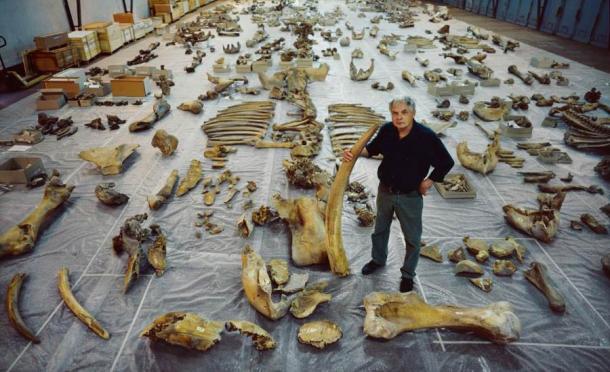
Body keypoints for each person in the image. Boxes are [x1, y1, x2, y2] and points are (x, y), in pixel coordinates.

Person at [343, 96, 454, 292]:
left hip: (409, 196)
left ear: (413, 113)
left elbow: (446, 162)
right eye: (395, 113)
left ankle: (407, 275)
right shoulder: (387, 130)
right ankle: (378, 260)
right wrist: (354, 152)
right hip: (385, 191)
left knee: (412, 238)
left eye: (404, 112)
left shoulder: (426, 137)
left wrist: (428, 182)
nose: (399, 117)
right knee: (380, 230)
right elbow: (372, 150)